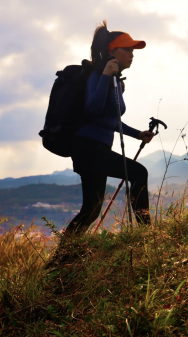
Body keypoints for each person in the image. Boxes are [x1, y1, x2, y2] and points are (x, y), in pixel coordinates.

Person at [65, 21, 154, 236]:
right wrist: (105, 75)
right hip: (89, 149)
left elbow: (110, 120)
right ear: (112, 51)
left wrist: (136, 134)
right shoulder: (97, 76)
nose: (131, 54)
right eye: (127, 49)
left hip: (96, 150)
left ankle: (62, 257)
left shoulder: (116, 81)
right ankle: (147, 234)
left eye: (133, 50)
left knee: (92, 210)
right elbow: (93, 110)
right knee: (139, 173)